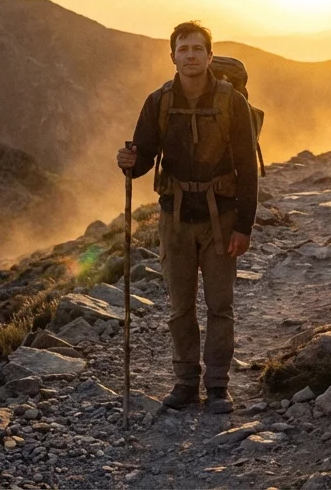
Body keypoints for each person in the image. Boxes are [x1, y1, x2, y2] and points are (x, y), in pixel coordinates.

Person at [116, 21, 258, 413]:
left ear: (210, 56)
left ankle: (216, 385)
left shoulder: (233, 103)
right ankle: (184, 383)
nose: (191, 56)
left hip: (222, 219)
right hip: (174, 218)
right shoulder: (159, 102)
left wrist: (244, 227)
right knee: (180, 306)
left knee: (219, 305)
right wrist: (128, 162)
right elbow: (143, 158)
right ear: (173, 56)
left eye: (198, 49)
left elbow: (248, 169)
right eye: (184, 49)